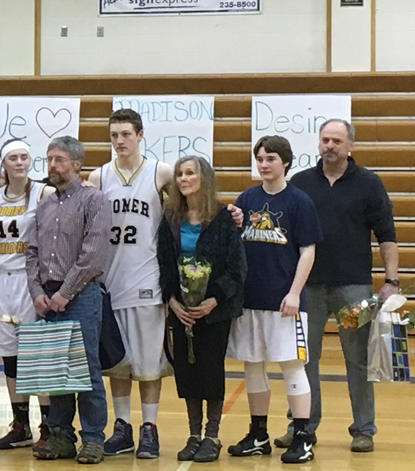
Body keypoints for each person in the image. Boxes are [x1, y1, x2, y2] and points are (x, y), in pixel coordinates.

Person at [281, 119, 396, 453]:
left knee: (357, 359)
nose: (329, 146)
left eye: (336, 141)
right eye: (325, 140)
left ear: (350, 147)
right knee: (304, 360)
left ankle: (364, 429)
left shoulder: (369, 184)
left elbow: (386, 236)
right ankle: (303, 427)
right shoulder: (300, 183)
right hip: (309, 289)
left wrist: (390, 280)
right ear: (318, 143)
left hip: (353, 289)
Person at [85, 109, 174, 459]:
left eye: (125, 134)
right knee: (117, 361)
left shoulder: (160, 172)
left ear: (140, 135)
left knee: (150, 361)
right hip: (109, 280)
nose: (119, 141)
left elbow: (194, 199)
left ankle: (149, 428)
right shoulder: (98, 176)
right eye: (113, 135)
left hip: (147, 278)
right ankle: (121, 427)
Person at [226, 136, 321, 464]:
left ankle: (303, 437)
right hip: (249, 300)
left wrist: (294, 292)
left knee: (293, 369)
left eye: (270, 159)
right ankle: (258, 434)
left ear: (285, 162)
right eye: (260, 158)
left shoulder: (299, 201)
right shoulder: (247, 198)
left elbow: (308, 251)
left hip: (285, 303)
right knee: (252, 368)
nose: (264, 164)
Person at [28, 136, 113, 464]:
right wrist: (37, 292)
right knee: (54, 371)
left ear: (77, 164)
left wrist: (65, 293)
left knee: (86, 368)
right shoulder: (45, 204)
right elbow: (31, 251)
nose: (52, 165)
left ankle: (93, 438)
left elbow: (93, 254)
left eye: (60, 159)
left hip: (80, 295)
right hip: (46, 297)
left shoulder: (95, 200)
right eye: (49, 159)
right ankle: (61, 435)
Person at [157, 156, 246, 463]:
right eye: (179, 174)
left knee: (210, 370)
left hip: (213, 310)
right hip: (180, 308)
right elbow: (164, 263)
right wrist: (172, 300)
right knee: (187, 371)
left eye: (189, 173)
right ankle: (193, 434)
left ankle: (212, 435)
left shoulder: (223, 217)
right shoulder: (170, 218)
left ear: (203, 178)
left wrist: (213, 300)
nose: (183, 179)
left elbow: (236, 267)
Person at [0, 139, 54, 450]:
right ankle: (20, 423)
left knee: (35, 356)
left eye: (25, 157)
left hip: (30, 282)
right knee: (8, 356)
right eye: (14, 157)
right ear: (5, 164)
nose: (20, 162)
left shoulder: (44, 193)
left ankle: (48, 425)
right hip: (1, 283)